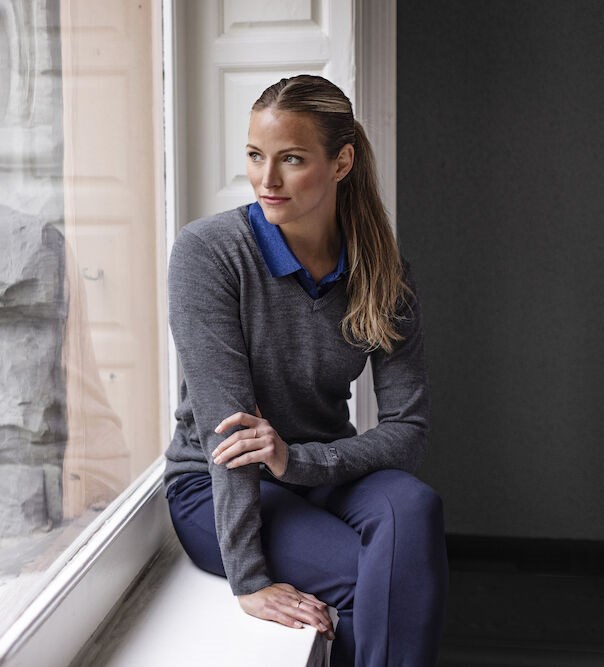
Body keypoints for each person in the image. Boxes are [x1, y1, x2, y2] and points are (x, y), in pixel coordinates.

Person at [164, 75, 448, 665]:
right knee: (376, 580)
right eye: (255, 156)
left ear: (341, 162)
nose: (266, 179)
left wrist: (296, 461)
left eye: (291, 159)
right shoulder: (210, 252)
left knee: (414, 506)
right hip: (217, 489)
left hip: (318, 468)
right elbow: (230, 438)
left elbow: (408, 429)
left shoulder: (382, 272)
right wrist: (249, 579)